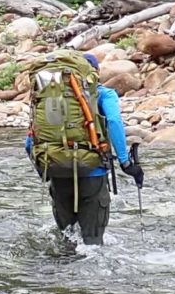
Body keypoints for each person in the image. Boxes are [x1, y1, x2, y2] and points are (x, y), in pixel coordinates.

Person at [24, 49, 143, 246]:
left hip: (57, 172)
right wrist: (126, 162)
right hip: (92, 173)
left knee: (66, 241)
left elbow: (30, 141)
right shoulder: (103, 94)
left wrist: (44, 170)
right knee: (92, 243)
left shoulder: (49, 99)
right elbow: (114, 122)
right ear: (93, 73)